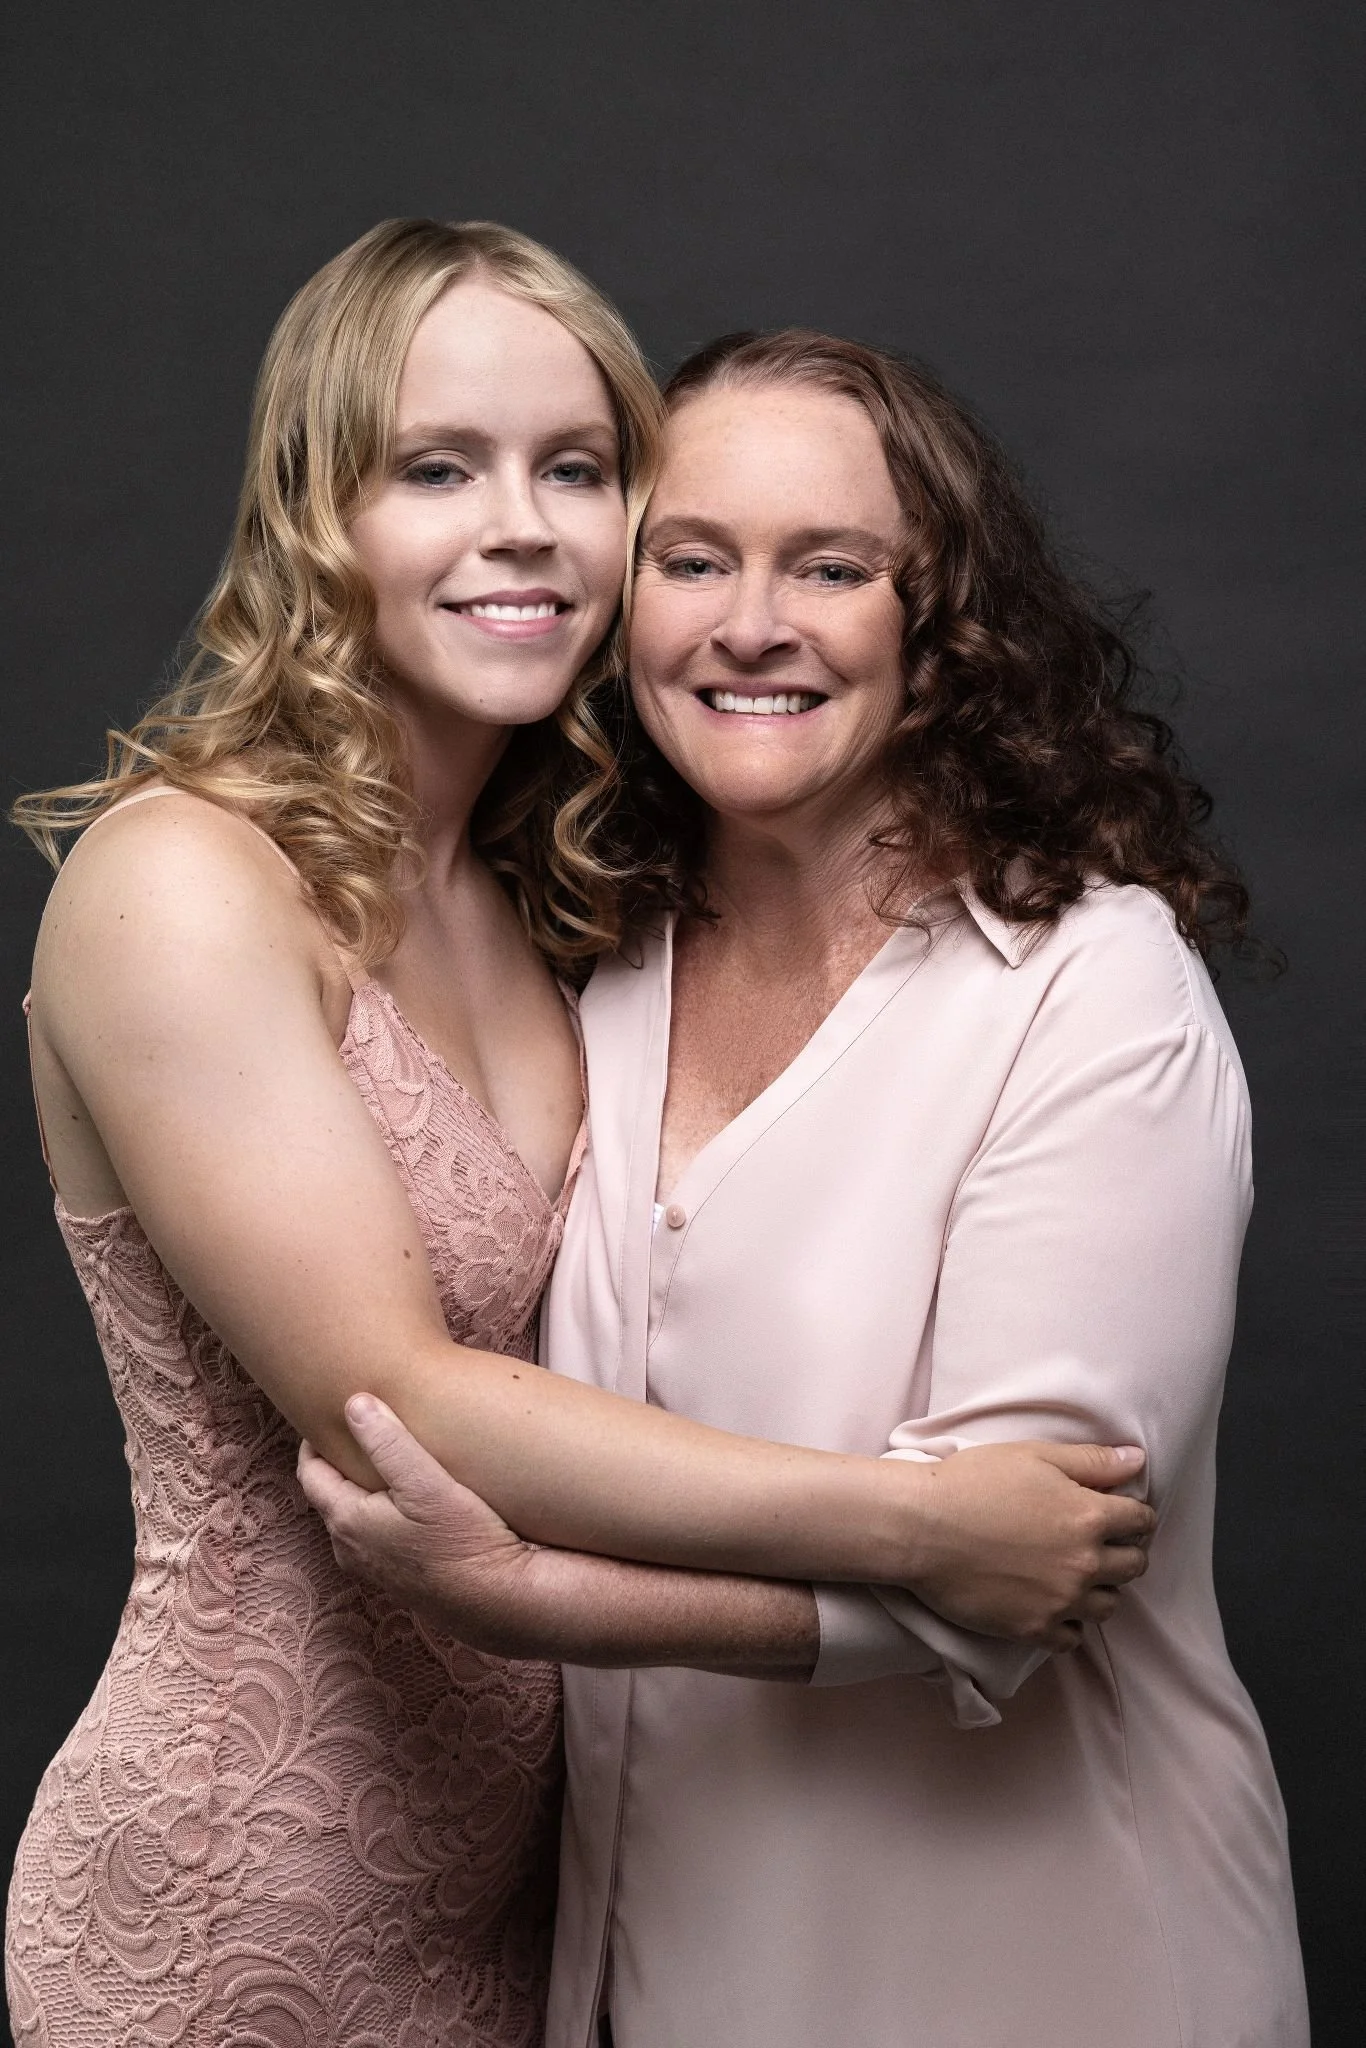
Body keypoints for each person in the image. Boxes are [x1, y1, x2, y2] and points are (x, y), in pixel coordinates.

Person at [5, 227, 1153, 2048]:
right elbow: (401, 1396)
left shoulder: (557, 897)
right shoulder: (184, 884)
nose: (524, 526)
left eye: (579, 468)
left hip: (530, 1898)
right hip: (245, 1888)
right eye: (436, 469)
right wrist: (924, 1532)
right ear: (320, 513)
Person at [303, 330, 1310, 2047]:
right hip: (660, 1949)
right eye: (691, 561)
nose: (747, 625)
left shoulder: (1085, 984)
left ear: (940, 627)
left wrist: (527, 1601)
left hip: (1051, 1968)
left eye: (828, 568)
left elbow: (1016, 1573)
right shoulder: (587, 974)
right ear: (624, 611)